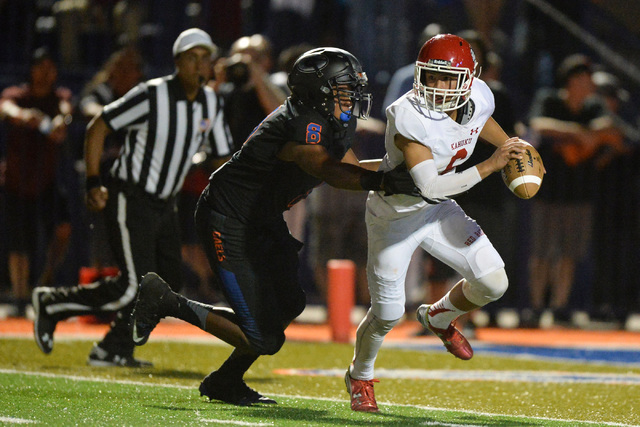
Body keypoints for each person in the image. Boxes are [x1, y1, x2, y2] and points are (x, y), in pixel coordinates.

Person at [129, 47, 419, 405]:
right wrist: (388, 181)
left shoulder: (336, 120)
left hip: (259, 219)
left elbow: (352, 167)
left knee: (288, 303)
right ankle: (166, 300)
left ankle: (225, 381)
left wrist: (407, 174)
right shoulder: (303, 121)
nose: (353, 94)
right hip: (229, 216)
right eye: (344, 87)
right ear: (320, 90)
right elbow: (327, 170)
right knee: (264, 337)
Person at [345, 34, 529, 413]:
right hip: (394, 214)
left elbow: (481, 120)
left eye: (449, 79)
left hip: (436, 210)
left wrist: (512, 143)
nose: (439, 87)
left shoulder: (479, 95)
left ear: (468, 79)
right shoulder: (408, 113)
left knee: (495, 281)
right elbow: (429, 184)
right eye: (432, 77)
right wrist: (491, 164)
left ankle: (439, 316)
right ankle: (359, 374)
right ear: (419, 75)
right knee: (388, 313)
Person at [31, 28, 234, 367]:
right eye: (192, 58)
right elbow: (99, 125)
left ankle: (112, 346)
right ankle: (56, 305)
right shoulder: (152, 94)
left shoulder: (211, 102)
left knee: (167, 284)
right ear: (177, 62)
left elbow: (221, 155)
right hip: (131, 195)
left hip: (165, 204)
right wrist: (93, 181)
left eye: (205, 58)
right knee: (132, 286)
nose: (200, 65)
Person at [525, 54, 620, 327]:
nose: (590, 83)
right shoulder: (550, 99)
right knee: (541, 252)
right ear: (573, 80)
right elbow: (537, 124)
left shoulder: (593, 106)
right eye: (586, 78)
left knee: (568, 254)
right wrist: (579, 134)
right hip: (548, 190)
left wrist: (584, 137)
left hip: (578, 192)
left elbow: (611, 129)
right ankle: (535, 307)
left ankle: (558, 306)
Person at [0, 47, 73, 316]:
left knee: (63, 227)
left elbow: (66, 111)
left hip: (46, 181)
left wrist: (58, 122)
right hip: (17, 182)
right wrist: (24, 116)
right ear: (31, 70)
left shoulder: (59, 98)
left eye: (50, 68)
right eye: (40, 67)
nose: (45, 74)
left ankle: (46, 278)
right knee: (19, 242)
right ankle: (20, 297)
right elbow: (5, 107)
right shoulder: (17, 96)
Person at [78, 45, 145, 271]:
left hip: (136, 179)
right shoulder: (101, 93)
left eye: (130, 68)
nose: (125, 73)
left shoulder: (144, 94)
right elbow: (89, 108)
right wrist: (119, 116)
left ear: (138, 73)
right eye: (120, 68)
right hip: (103, 176)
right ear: (111, 72)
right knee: (100, 234)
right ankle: (99, 284)